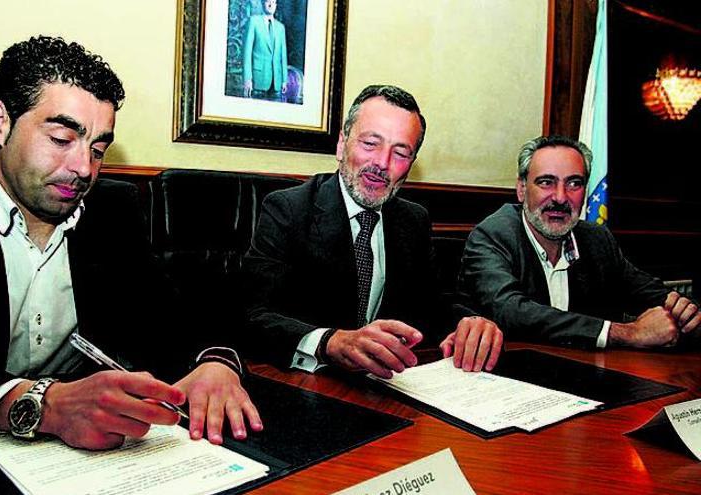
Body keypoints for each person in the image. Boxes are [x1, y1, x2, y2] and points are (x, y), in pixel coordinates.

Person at [0, 36, 261, 449]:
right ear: (0, 123)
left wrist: (215, 361)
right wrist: (38, 404)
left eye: (99, 149)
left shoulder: (112, 209)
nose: (83, 168)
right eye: (61, 140)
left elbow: (169, 315)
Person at [242, 85, 503, 378]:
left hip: (384, 387)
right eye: (370, 144)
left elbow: (434, 305)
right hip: (305, 382)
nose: (382, 163)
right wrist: (330, 341)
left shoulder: (413, 220)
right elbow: (253, 316)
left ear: (411, 165)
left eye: (401, 152)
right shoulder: (288, 209)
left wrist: (471, 322)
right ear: (342, 145)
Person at [460, 135, 700, 348]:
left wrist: (681, 310)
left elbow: (644, 290)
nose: (561, 197)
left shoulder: (596, 239)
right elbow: (512, 312)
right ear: (522, 188)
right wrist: (627, 333)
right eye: (546, 182)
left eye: (574, 183)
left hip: (587, 378)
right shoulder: (493, 235)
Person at [242, 0, 288, 101]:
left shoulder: (281, 27)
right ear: (263, 3)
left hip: (276, 82)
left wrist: (284, 80)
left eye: (273, 2)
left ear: (276, 5)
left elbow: (283, 56)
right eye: (268, 2)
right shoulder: (253, 21)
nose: (271, 5)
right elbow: (247, 53)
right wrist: (247, 79)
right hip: (257, 81)